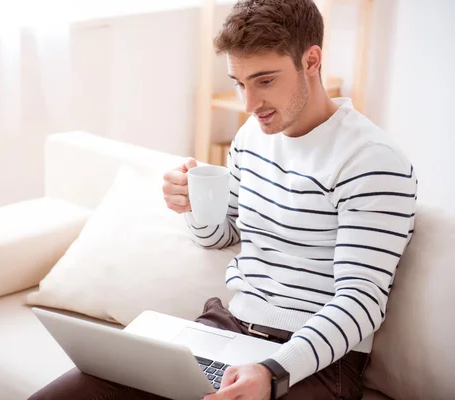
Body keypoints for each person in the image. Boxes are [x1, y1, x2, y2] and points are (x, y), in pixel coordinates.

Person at [29, 0, 417, 399]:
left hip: (314, 359)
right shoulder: (252, 137)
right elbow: (221, 236)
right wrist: (194, 208)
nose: (249, 105)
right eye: (239, 82)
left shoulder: (370, 161)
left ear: (312, 60)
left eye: (265, 81)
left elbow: (361, 302)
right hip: (228, 328)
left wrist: (272, 372)